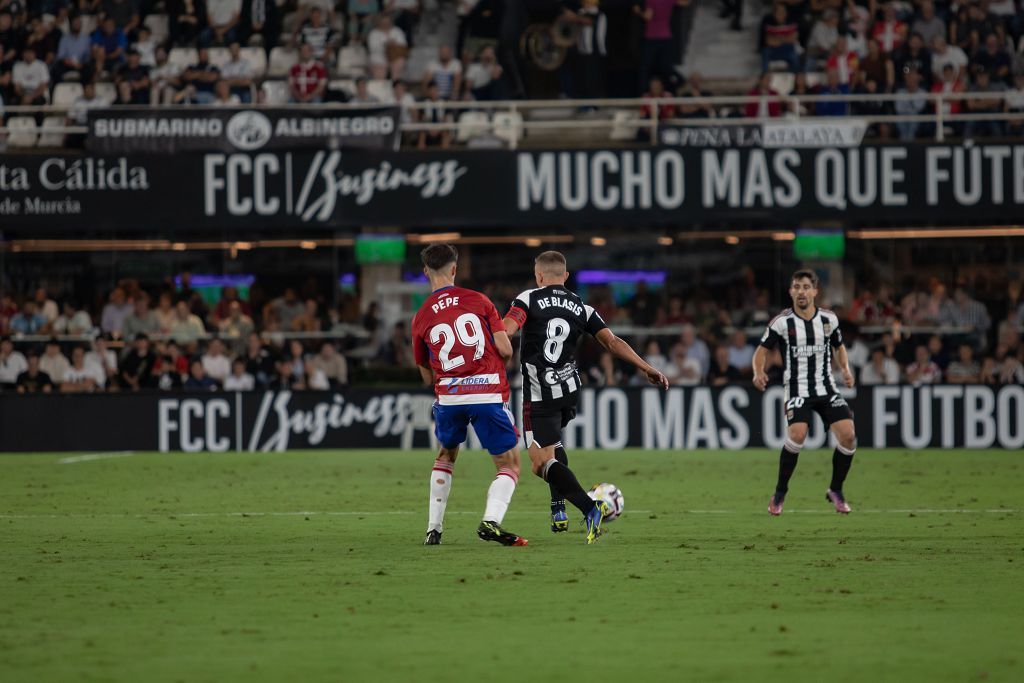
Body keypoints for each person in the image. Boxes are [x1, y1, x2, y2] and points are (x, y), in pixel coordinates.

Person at [503, 251, 668, 542]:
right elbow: (612, 342)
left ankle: (589, 508)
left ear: (538, 276)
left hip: (540, 392)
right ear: (565, 277)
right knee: (554, 444)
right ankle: (558, 508)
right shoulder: (582, 307)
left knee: (539, 463)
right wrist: (647, 367)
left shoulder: (527, 299)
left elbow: (507, 331)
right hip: (569, 389)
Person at [411, 244, 527, 547]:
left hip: (449, 397)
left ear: (426, 272)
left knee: (446, 454)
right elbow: (505, 350)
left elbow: (426, 375)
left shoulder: (421, 316)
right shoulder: (478, 301)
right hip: (487, 392)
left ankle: (433, 529)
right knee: (509, 465)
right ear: (454, 269)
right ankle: (491, 522)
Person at [753, 269, 857, 516]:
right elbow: (761, 351)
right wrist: (758, 371)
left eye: (806, 287)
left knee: (849, 436)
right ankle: (780, 493)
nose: (801, 291)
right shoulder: (782, 322)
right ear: (791, 292)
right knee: (798, 435)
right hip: (797, 389)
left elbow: (839, 347)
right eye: (797, 287)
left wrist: (846, 369)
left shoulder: (829, 320)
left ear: (815, 292)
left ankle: (836, 490)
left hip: (826, 387)